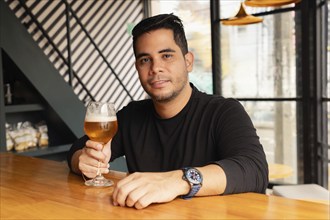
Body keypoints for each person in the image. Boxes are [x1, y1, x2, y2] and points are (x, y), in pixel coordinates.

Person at [67, 13, 269, 210]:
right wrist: (83, 161)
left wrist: (176, 181)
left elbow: (254, 170)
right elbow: (77, 150)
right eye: (145, 60)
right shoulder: (131, 116)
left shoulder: (223, 111)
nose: (155, 68)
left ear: (188, 61)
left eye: (166, 56)